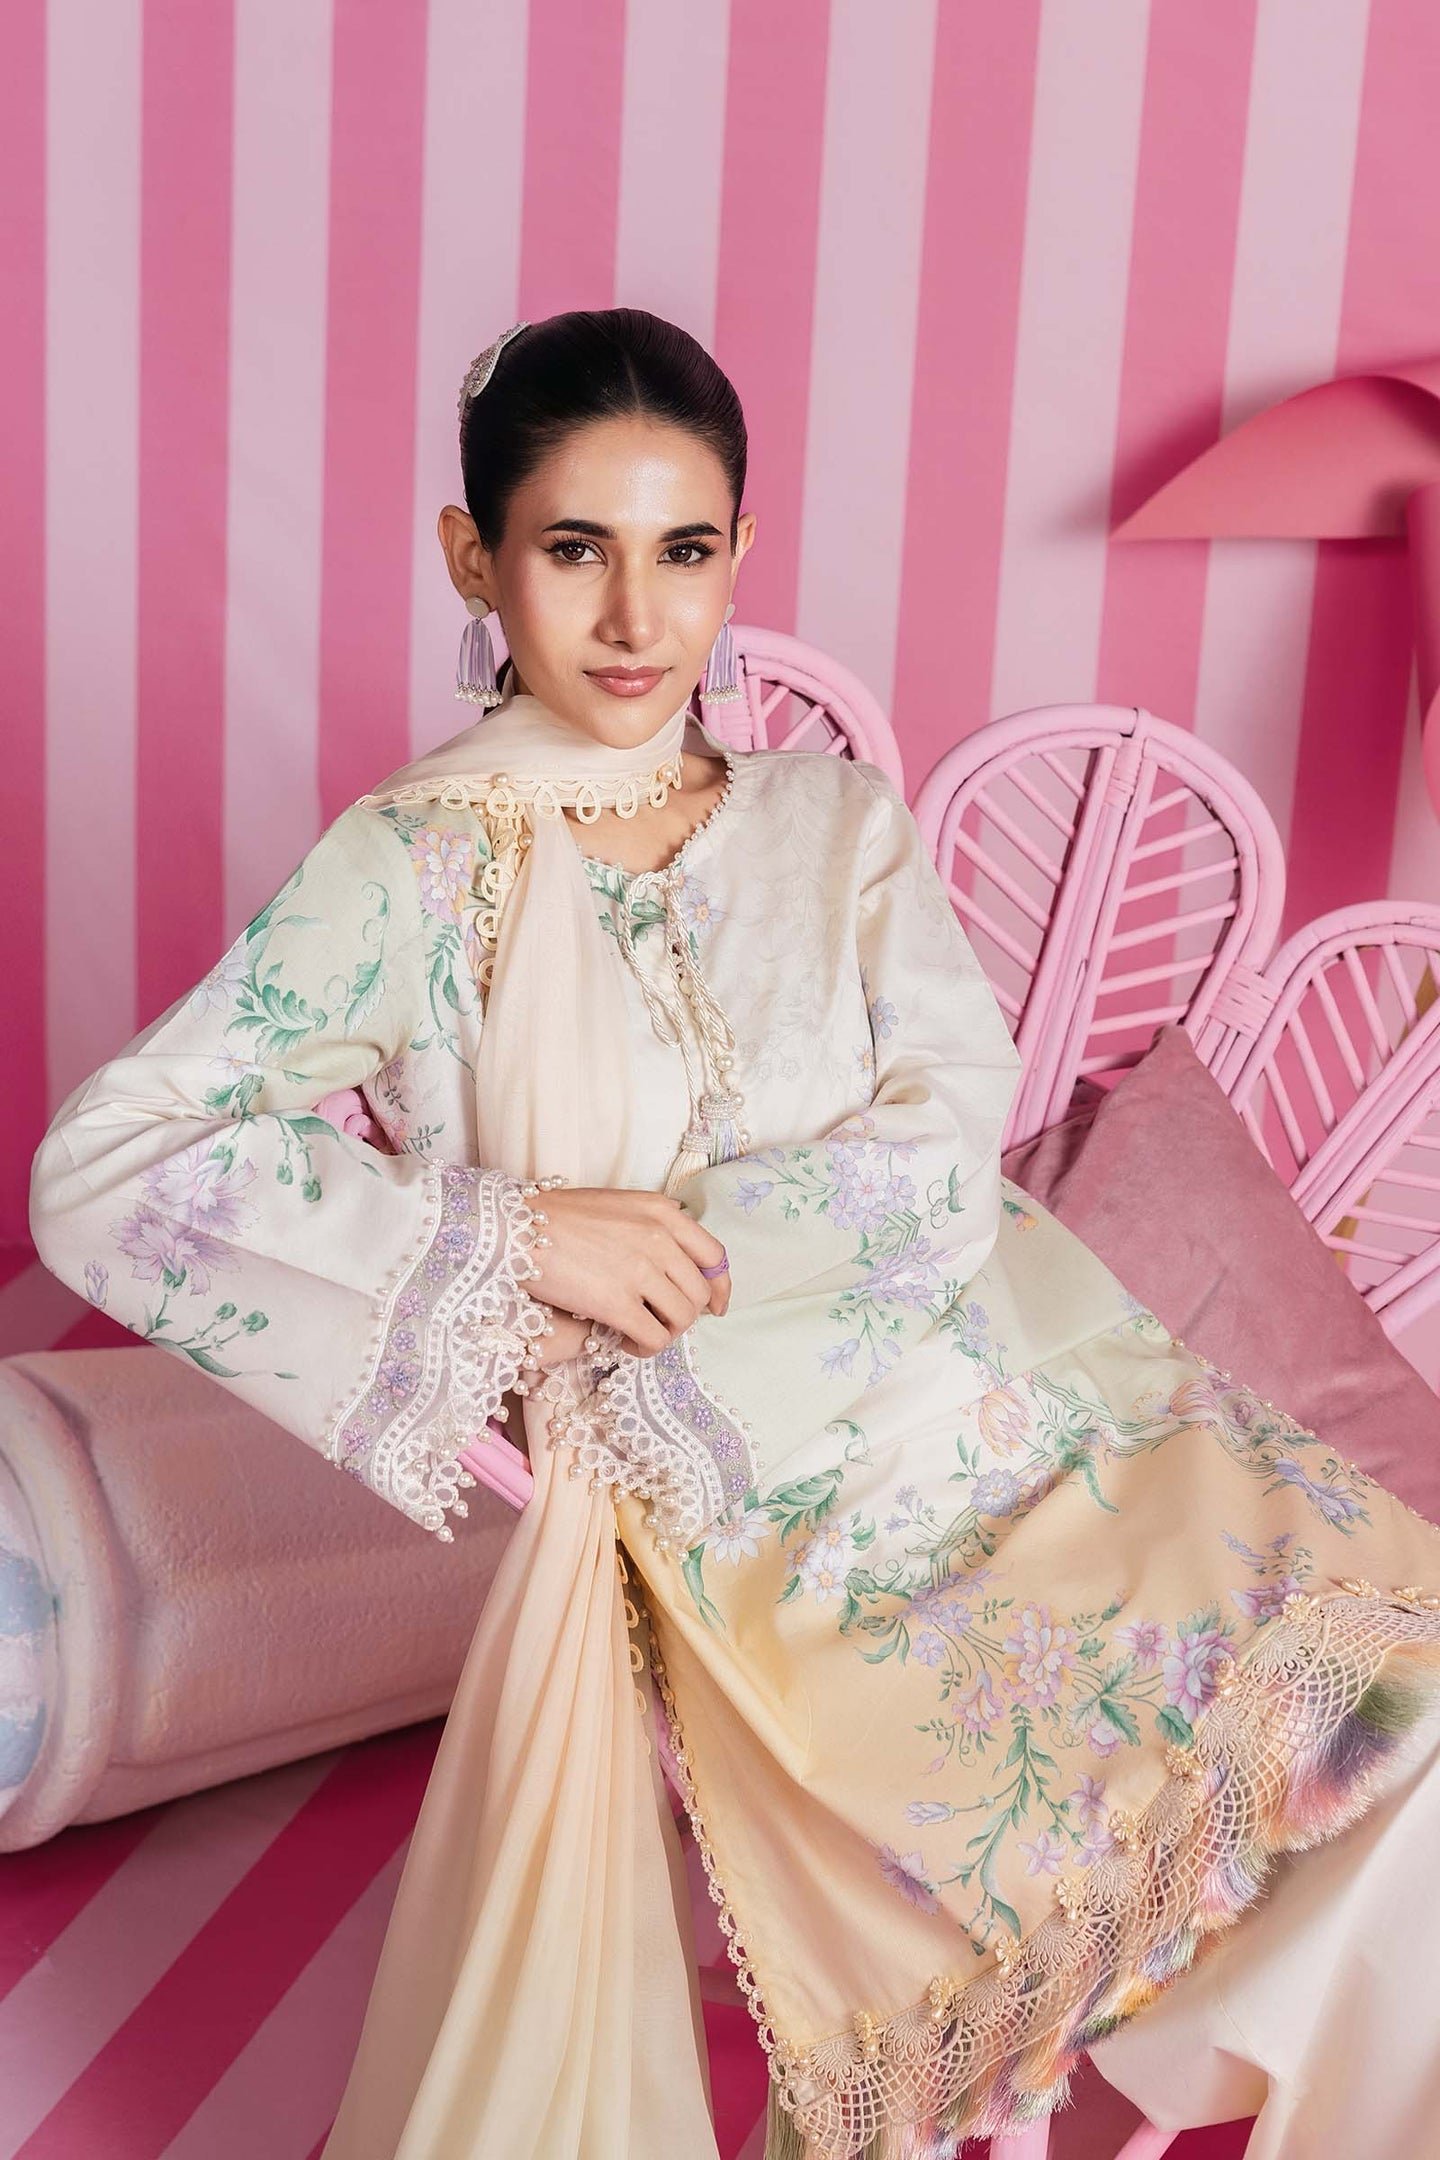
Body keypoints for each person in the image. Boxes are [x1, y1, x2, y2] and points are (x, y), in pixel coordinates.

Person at [27, 308, 1440, 2160]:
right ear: (474, 559)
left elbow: (942, 1142)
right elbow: (109, 1167)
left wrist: (690, 1267)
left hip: (1046, 1419)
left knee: (1411, 1740)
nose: (636, 618)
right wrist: (505, 1236)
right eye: (574, 549)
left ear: (740, 554)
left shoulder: (829, 825)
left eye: (684, 550)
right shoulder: (414, 869)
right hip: (759, 1533)